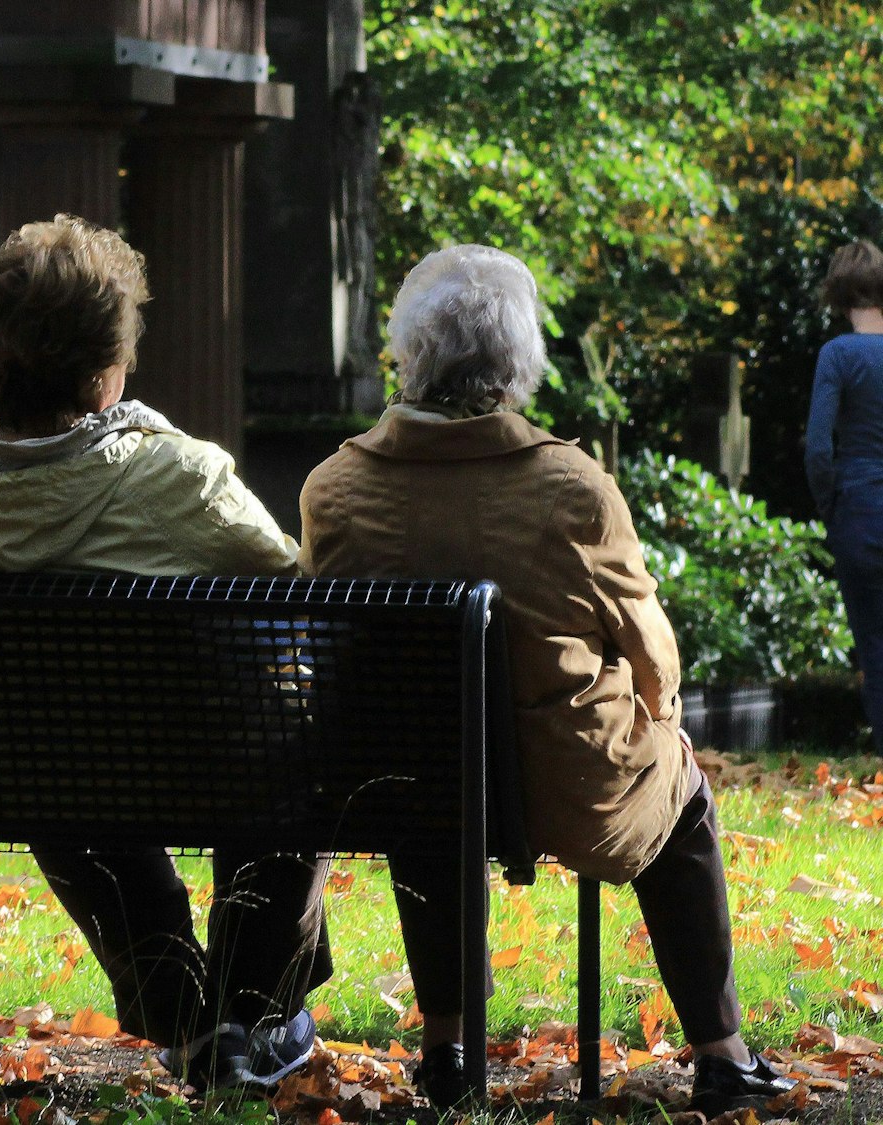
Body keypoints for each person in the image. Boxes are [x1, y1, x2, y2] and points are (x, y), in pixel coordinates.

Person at [299, 244, 797, 1113]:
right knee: (683, 797)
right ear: (519, 360)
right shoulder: (572, 486)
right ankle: (723, 1055)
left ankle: (448, 1048)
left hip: (405, 782)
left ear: (409, 353)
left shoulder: (336, 488)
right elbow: (651, 650)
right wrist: (661, 723)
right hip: (567, 785)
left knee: (431, 774)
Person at [0, 215, 328, 1090]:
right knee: (284, 724)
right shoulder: (178, 479)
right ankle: (253, 1012)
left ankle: (189, 1014)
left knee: (52, 747)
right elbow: (296, 593)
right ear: (106, 370)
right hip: (186, 766)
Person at [806, 239, 883, 751]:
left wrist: (829, 504)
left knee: (875, 644)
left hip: (859, 509)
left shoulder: (838, 355)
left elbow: (818, 448)